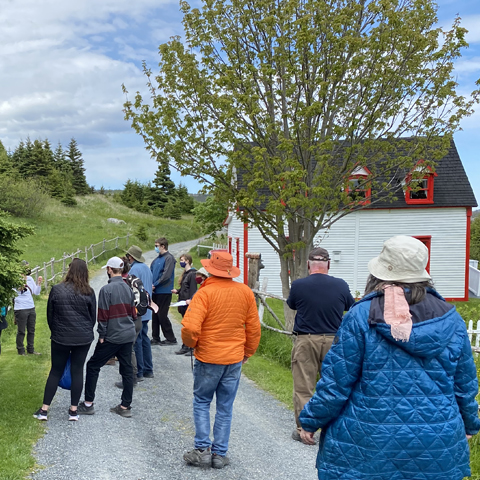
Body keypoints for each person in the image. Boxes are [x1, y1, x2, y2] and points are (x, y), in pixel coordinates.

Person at [299, 235, 480, 480]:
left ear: (380, 274)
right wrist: (469, 423)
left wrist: (310, 420)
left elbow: (336, 383)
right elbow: (465, 385)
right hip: (437, 440)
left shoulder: (361, 315)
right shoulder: (452, 319)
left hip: (367, 441)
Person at [181, 251, 261, 469]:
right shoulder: (245, 292)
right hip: (234, 357)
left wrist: (192, 343)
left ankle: (202, 450)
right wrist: (247, 352)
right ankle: (219, 454)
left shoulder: (205, 293)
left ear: (210, 270)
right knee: (225, 406)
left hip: (208, 356)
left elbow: (189, 327)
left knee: (202, 401)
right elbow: (254, 329)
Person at [287, 247, 354, 443]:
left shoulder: (299, 285)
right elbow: (350, 306)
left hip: (306, 339)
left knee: (303, 385)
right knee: (335, 384)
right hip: (334, 340)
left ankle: (304, 428)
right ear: (328, 265)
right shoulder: (340, 285)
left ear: (309, 265)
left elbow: (292, 305)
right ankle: (333, 426)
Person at [33, 258, 96, 421]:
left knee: (56, 370)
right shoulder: (89, 292)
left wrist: (56, 331)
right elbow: (92, 317)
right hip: (83, 338)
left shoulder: (57, 289)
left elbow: (50, 314)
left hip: (61, 337)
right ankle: (73, 410)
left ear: (69, 270)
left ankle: (44, 409)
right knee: (77, 371)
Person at [77, 257, 137, 418]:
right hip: (127, 334)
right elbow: (133, 313)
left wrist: (102, 335)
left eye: (107, 268)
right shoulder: (128, 288)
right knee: (126, 369)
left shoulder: (106, 290)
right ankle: (125, 406)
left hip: (112, 335)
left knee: (93, 365)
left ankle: (88, 403)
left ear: (110, 269)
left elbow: (102, 315)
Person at [127, 245, 154, 380]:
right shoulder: (146, 269)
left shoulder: (134, 269)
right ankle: (149, 369)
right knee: (145, 340)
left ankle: (139, 371)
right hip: (147, 309)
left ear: (131, 257)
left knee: (136, 340)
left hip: (138, 310)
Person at [150, 237, 178, 346]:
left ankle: (171, 338)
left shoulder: (169, 258)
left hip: (164, 290)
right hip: (155, 291)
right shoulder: (156, 260)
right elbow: (151, 272)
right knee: (155, 314)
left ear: (163, 246)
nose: (155, 248)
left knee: (162, 315)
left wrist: (155, 284)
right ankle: (155, 337)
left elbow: (166, 275)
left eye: (157, 246)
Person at [14, 261, 43, 355]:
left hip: (31, 306)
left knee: (31, 329)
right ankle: (20, 350)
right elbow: (13, 293)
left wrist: (39, 284)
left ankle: (30, 349)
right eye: (26, 267)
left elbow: (36, 292)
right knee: (21, 330)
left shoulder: (30, 279)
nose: (28, 269)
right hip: (20, 307)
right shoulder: (15, 279)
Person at [173, 253, 197, 355]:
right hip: (182, 302)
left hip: (188, 303)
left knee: (189, 326)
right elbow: (185, 288)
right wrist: (178, 291)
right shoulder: (186, 274)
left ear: (187, 261)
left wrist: (191, 300)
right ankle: (185, 345)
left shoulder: (192, 274)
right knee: (184, 326)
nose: (181, 262)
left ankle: (190, 346)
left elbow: (192, 289)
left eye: (182, 260)